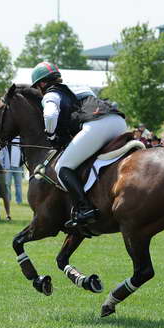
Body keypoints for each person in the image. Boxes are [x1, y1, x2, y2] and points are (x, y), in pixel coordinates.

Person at [31, 61, 127, 226]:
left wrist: (50, 134)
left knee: (62, 166)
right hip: (118, 121)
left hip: (97, 125)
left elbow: (50, 115)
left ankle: (85, 209)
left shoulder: (51, 94)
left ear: (42, 83)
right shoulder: (79, 87)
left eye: (38, 87)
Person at [6, 137, 24, 205]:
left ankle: (19, 201)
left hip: (18, 167)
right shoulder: (8, 141)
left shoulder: (22, 142)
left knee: (18, 185)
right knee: (7, 184)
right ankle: (8, 200)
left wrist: (22, 164)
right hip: (8, 166)